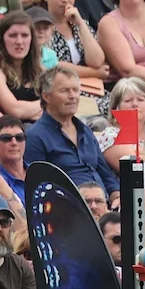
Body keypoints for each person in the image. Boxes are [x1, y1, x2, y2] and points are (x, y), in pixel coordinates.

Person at [25, 66, 118, 198]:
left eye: (75, 90)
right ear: (46, 96)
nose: (73, 96)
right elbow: (38, 187)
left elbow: (106, 176)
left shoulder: (86, 132)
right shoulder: (35, 136)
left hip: (102, 205)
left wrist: (117, 197)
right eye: (65, 91)